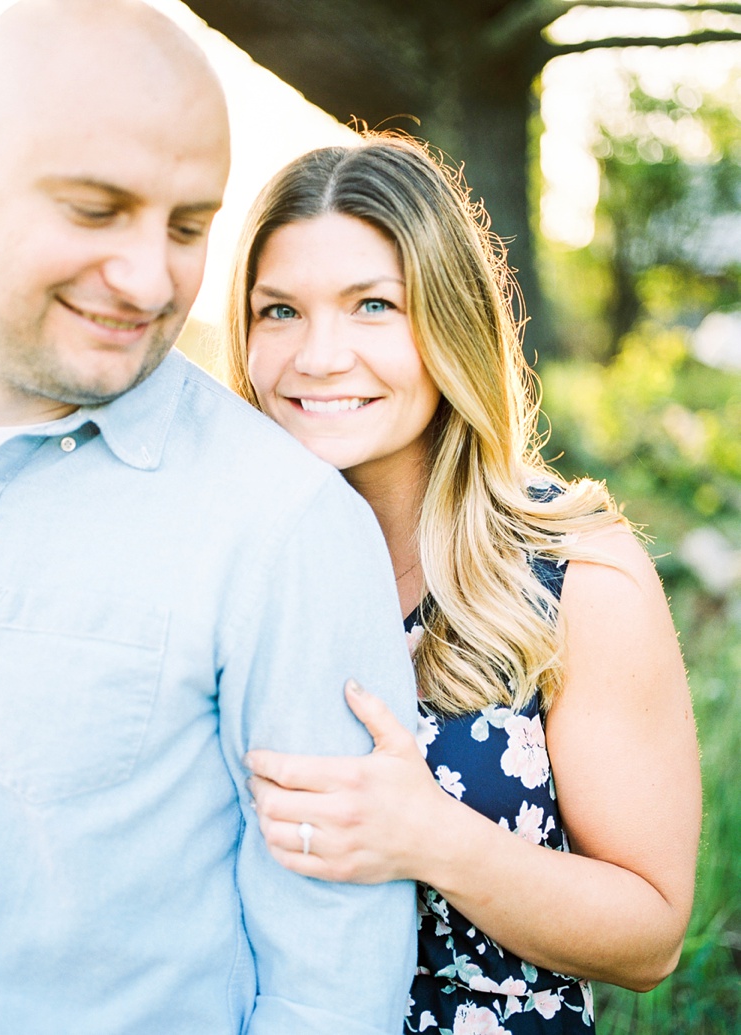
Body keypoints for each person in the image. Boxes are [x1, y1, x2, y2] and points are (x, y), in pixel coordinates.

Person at [0, 4, 418, 1033]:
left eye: (186, 227)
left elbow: (332, 984)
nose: (148, 277)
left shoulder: (285, 524)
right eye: (94, 210)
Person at [225, 134, 703, 1034]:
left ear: (448, 320)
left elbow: (650, 937)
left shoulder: (574, 572)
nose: (319, 356)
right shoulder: (217, 559)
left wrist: (431, 838)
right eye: (278, 311)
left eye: (373, 305)